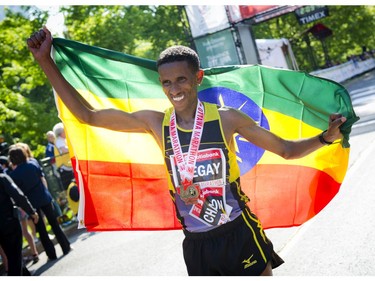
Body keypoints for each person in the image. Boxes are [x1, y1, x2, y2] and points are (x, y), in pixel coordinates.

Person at [27, 27, 346, 276]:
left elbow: (287, 150)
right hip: (196, 243)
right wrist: (45, 62)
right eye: (166, 83)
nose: (174, 89)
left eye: (181, 80)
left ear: (197, 78)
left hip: (238, 232)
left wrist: (326, 137)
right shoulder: (154, 123)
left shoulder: (226, 118)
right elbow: (88, 116)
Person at [8, 145, 72, 261]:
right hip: (43, 196)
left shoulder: (13, 175)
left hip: (31, 203)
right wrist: (47, 194)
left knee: (41, 230)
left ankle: (51, 254)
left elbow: (19, 193)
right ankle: (65, 247)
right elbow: (43, 180)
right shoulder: (33, 164)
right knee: (54, 223)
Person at [0, 173, 39, 275]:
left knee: (11, 254)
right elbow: (18, 196)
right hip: (8, 222)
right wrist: (32, 211)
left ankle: (26, 274)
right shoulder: (2, 178)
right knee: (14, 257)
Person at [53, 123, 75, 190]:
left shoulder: (62, 140)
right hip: (64, 167)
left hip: (67, 165)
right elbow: (65, 150)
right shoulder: (59, 141)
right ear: (61, 133)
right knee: (68, 185)